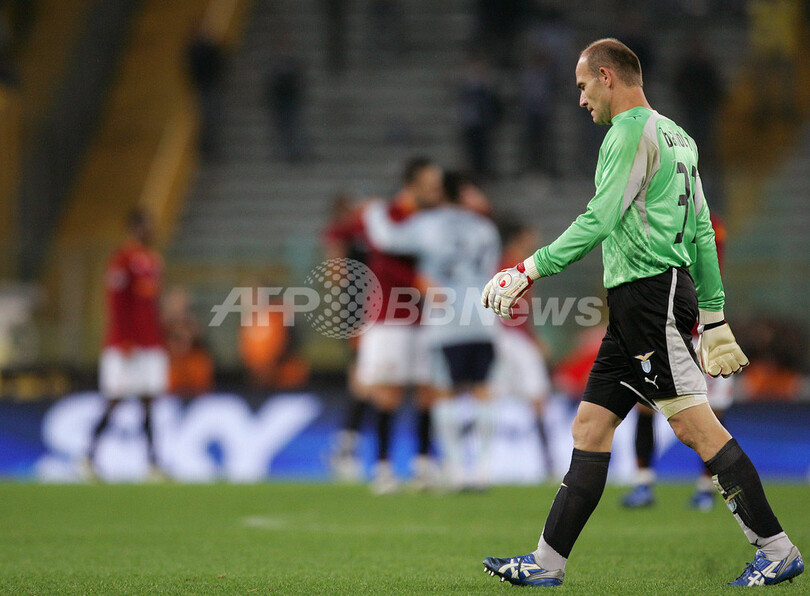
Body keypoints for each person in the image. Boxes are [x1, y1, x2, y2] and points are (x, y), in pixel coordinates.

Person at [480, 39, 803, 587]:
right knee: (590, 425)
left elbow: (598, 219)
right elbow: (702, 228)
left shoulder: (626, 134)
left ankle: (776, 549)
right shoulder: (679, 136)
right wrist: (715, 312)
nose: (581, 100)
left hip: (650, 299)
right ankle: (546, 562)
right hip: (642, 303)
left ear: (607, 76)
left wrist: (528, 268)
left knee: (694, 425)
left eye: (583, 86)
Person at [364, 170, 501, 490]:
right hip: (483, 316)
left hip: (446, 318)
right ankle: (482, 469)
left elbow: (386, 238)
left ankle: (455, 470)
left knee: (442, 392)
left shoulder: (429, 224)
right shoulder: (486, 228)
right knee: (482, 392)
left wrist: (372, 210)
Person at [82, 209, 168, 482]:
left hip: (150, 343)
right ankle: (88, 456)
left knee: (148, 401)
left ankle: (152, 463)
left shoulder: (152, 261)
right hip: (126, 344)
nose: (152, 231)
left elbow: (151, 306)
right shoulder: (121, 260)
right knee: (115, 399)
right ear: (135, 228)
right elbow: (117, 304)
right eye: (147, 226)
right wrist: (126, 340)